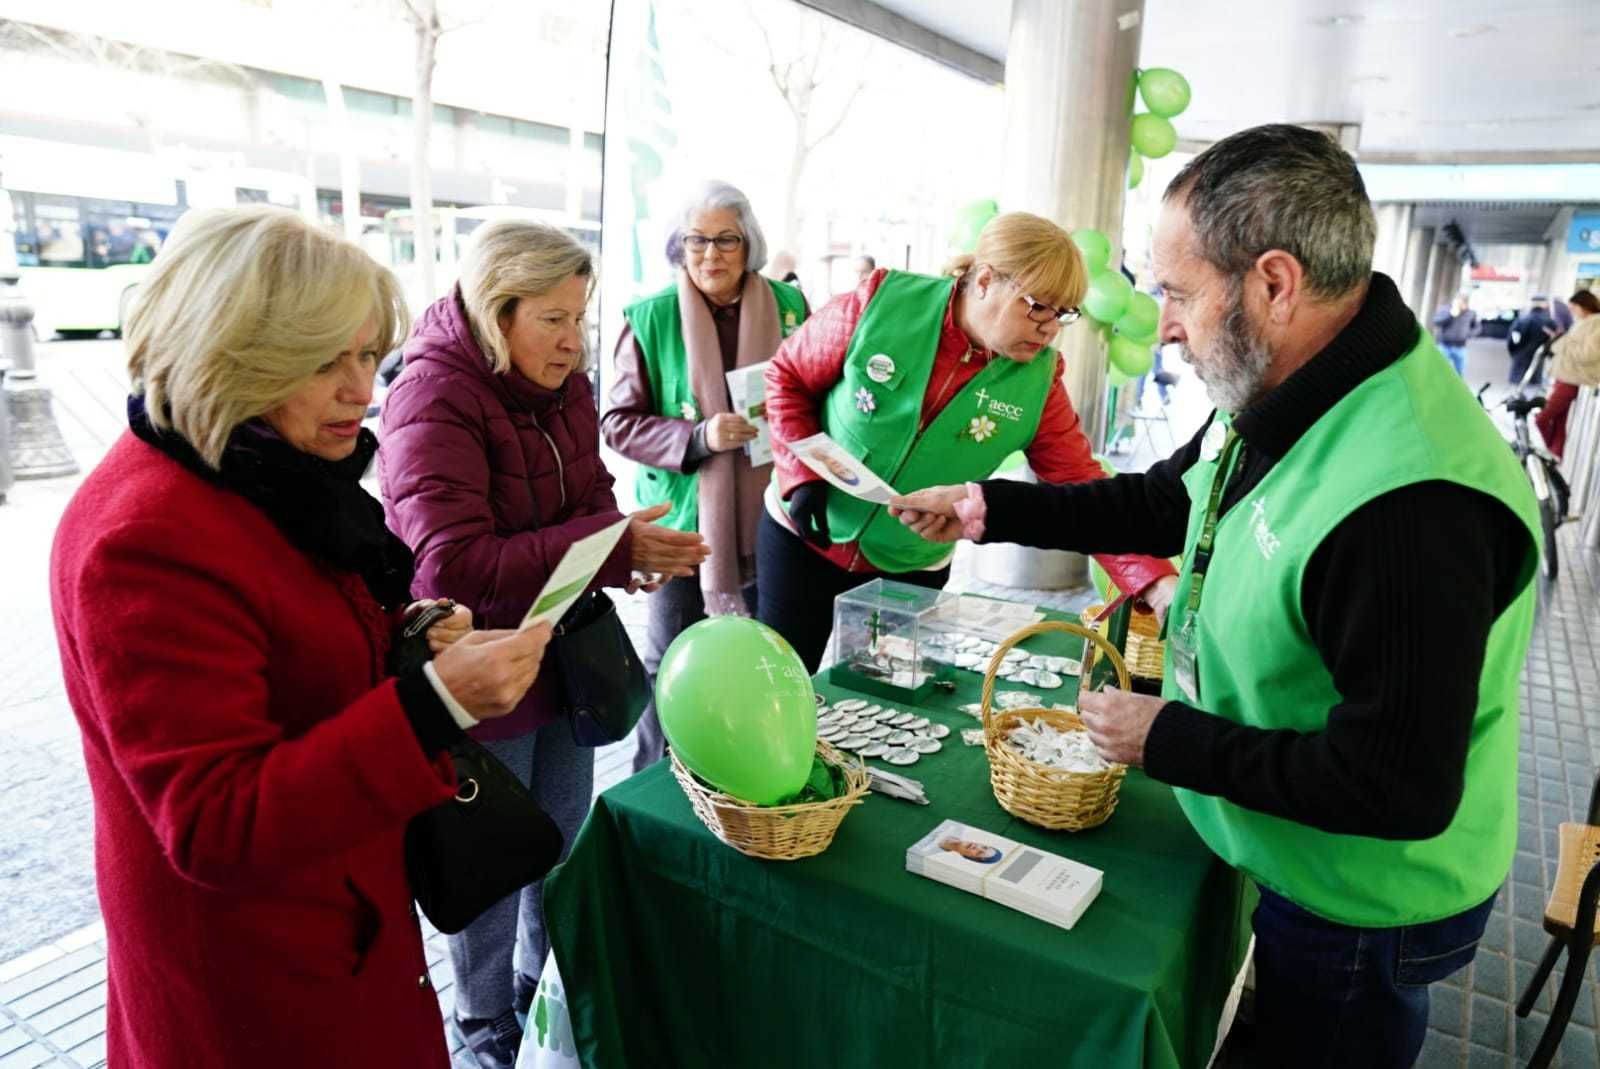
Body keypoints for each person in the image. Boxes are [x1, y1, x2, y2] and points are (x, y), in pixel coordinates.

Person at [890, 125, 1541, 1069]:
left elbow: (1398, 784)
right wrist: (988, 505)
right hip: (1287, 846)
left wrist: (1166, 738)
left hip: (1362, 900)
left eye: (1177, 293)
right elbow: (1166, 497)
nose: (1162, 324)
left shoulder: (1409, 506)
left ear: (1274, 284)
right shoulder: (1292, 383)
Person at [50, 205, 553, 1069]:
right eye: (324, 360)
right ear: (227, 348)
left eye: (366, 355)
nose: (362, 389)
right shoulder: (149, 534)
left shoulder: (253, 470)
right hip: (258, 986)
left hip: (334, 925)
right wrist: (430, 707)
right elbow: (215, 821)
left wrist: (406, 638)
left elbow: (285, 644)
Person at [381, 219, 708, 1068]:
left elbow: (593, 494)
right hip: (480, 672)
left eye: (580, 318)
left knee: (558, 836)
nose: (573, 341)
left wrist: (622, 552)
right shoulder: (433, 393)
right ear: (498, 310)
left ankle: (537, 991)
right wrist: (606, 544)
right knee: (488, 862)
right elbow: (448, 563)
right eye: (553, 319)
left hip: (559, 657)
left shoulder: (562, 381)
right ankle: (483, 1024)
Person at [759, 210, 1177, 671]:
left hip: (911, 564)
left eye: (1064, 313)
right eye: (1037, 305)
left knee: (881, 698)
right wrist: (800, 478)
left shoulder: (1039, 381)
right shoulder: (880, 302)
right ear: (983, 280)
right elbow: (788, 377)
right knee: (782, 681)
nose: (1050, 327)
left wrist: (1154, 581)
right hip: (802, 535)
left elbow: (1085, 490)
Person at [601, 180, 806, 772]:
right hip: (685, 523)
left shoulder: (792, 309)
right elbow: (617, 421)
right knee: (668, 662)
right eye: (696, 240)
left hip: (774, 516)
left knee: (767, 660)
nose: (710, 254)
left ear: (750, 246)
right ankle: (651, 784)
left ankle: (750, 773)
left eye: (726, 240)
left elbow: (817, 394)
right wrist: (697, 437)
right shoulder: (650, 316)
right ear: (678, 246)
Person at [1534, 289, 1600, 458]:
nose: (1572, 311)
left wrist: (1562, 341)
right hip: (1565, 377)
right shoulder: (1585, 322)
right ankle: (1555, 456)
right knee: (1557, 423)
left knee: (1542, 418)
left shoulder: (1596, 323)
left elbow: (1588, 354)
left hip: (1572, 380)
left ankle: (1548, 455)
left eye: (1574, 307)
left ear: (1584, 305)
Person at [1508, 295, 1557, 384]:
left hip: (1520, 357)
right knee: (1534, 388)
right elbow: (1554, 341)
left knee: (1518, 387)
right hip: (1539, 360)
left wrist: (1515, 353)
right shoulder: (1550, 322)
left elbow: (1512, 340)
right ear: (1545, 305)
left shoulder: (1521, 320)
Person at [1430, 292, 1477, 376]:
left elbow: (1477, 327)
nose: (1460, 305)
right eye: (1459, 302)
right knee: (1438, 369)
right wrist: (1450, 315)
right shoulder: (1445, 309)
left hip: (1460, 347)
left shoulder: (1471, 313)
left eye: (1463, 303)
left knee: (1459, 371)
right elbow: (1437, 322)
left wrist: (1468, 334)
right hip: (1444, 345)